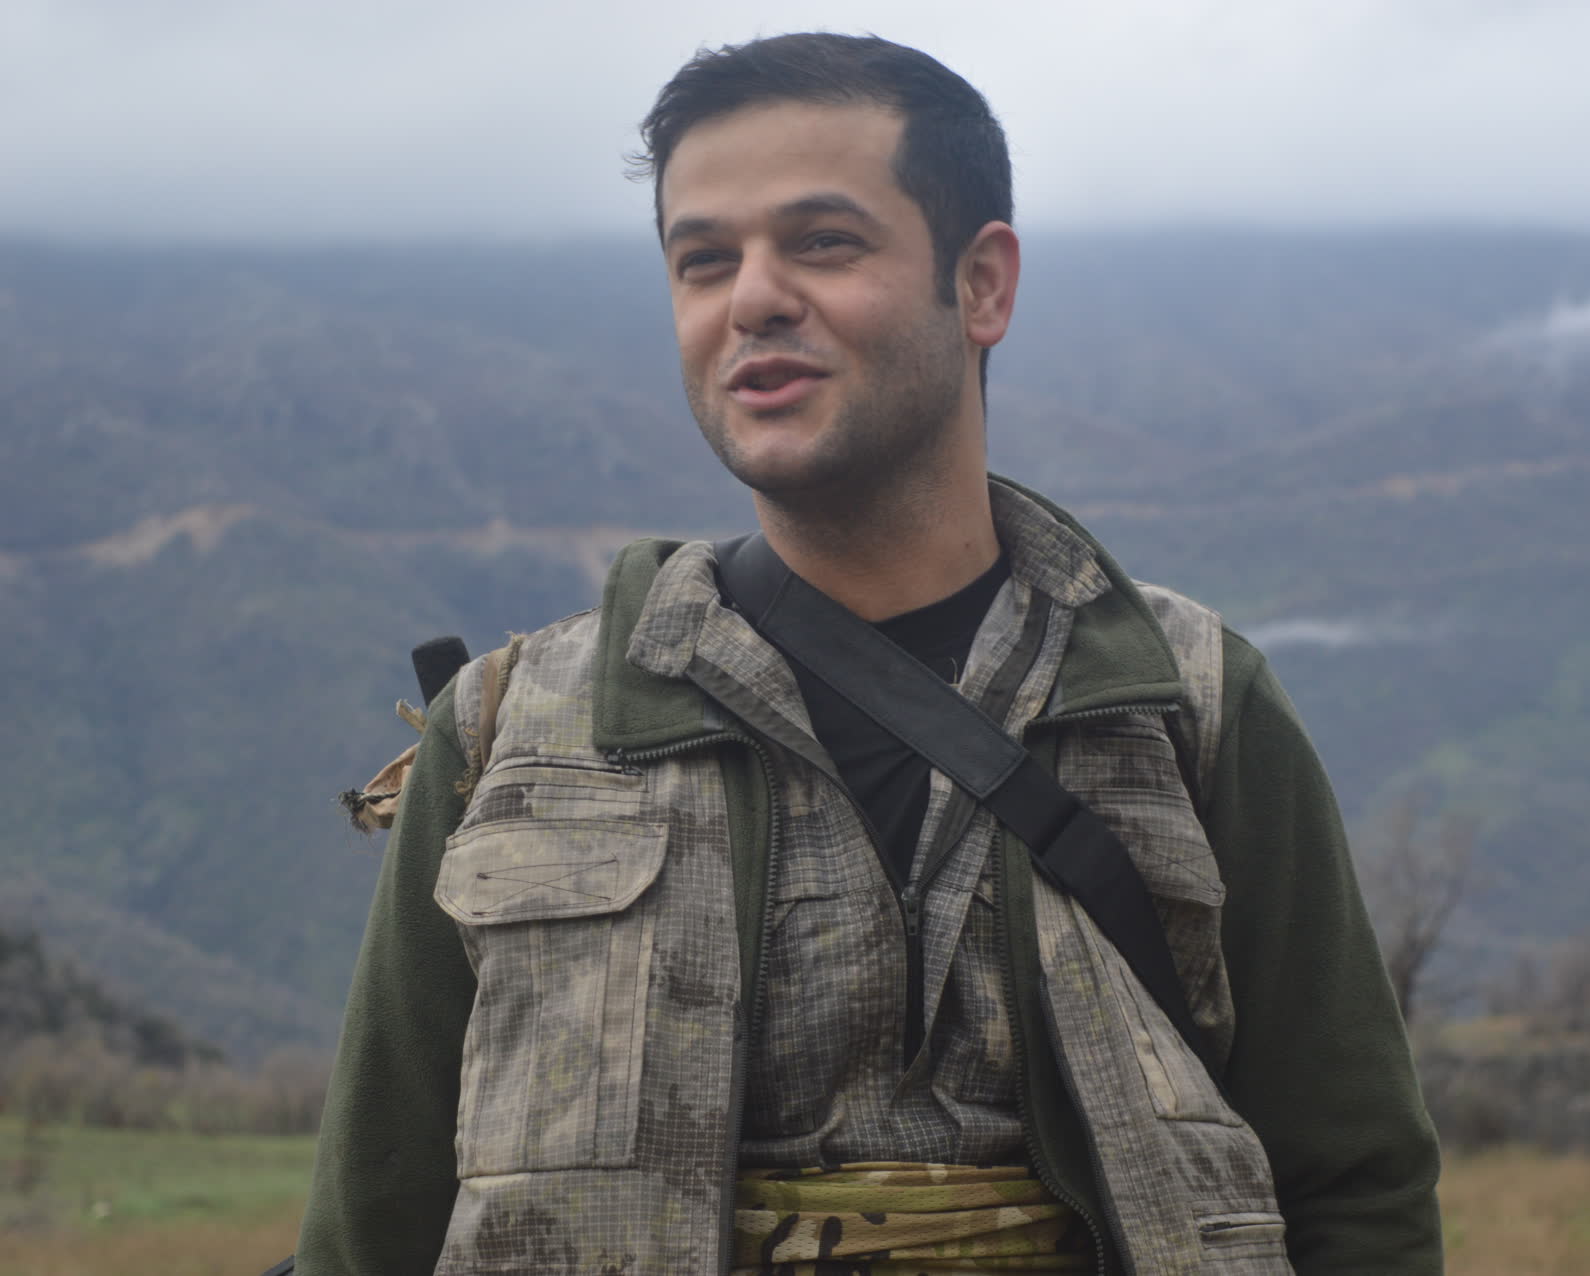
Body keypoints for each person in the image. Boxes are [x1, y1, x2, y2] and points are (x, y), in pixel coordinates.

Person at [297, 32, 1442, 1276]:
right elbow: (375, 1223)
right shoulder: (514, 731)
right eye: (704, 261)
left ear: (982, 285)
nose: (752, 298)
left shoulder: (1185, 703)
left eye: (824, 242)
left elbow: (1356, 1190)